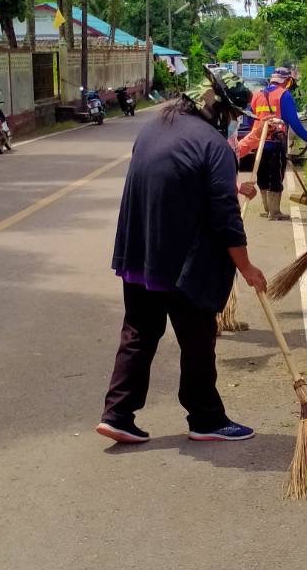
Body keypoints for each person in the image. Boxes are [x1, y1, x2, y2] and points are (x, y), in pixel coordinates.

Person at [96, 67, 267, 446]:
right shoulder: (214, 145)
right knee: (197, 339)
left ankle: (118, 414)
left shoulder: (153, 129)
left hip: (139, 258)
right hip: (181, 266)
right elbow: (224, 219)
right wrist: (247, 267)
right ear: (217, 108)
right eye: (233, 115)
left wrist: (235, 186)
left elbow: (175, 180)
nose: (234, 122)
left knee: (139, 332)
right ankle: (206, 418)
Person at [237, 66, 307, 220]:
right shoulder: (284, 95)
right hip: (275, 143)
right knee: (276, 176)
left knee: (262, 174)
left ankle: (267, 209)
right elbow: (293, 121)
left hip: (258, 143)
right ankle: (275, 212)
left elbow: (251, 118)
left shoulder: (257, 95)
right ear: (286, 81)